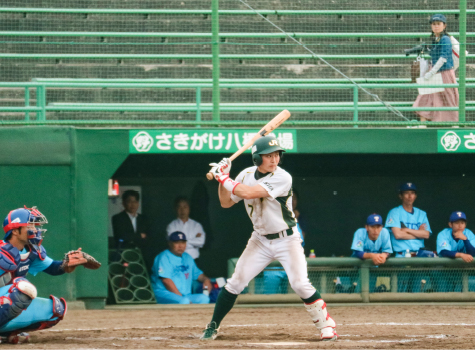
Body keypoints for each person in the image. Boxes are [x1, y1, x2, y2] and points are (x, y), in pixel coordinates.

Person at [201, 135, 338, 341]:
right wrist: (224, 178)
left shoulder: (283, 177)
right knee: (235, 282)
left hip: (287, 239)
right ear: (257, 158)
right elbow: (226, 202)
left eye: (276, 155)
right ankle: (213, 325)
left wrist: (223, 178)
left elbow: (248, 193)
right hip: (260, 240)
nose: (274, 160)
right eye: (268, 156)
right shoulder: (245, 174)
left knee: (300, 284)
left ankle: (327, 325)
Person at [0, 206, 100, 343]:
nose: (35, 230)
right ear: (15, 231)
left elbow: (53, 268)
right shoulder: (2, 253)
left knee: (56, 310)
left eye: (35, 226)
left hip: (7, 299)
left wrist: (66, 265)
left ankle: (7, 332)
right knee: (22, 289)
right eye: (30, 225)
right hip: (6, 297)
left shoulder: (31, 252)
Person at [413, 13, 459, 122]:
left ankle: (454, 125)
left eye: (438, 24)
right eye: (433, 24)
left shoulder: (445, 39)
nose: (436, 26)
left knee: (448, 99)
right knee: (426, 96)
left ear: (444, 25)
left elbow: (444, 57)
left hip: (445, 73)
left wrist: (432, 72)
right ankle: (422, 124)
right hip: (435, 72)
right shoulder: (436, 39)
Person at [151, 231, 212, 304]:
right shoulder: (163, 257)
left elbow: (197, 274)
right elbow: (166, 281)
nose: (180, 246)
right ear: (170, 243)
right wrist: (181, 297)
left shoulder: (188, 257)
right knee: (184, 302)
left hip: (185, 295)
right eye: (176, 242)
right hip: (164, 293)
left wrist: (206, 280)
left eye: (183, 242)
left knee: (204, 299)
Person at [385, 183, 431, 258]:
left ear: (415, 196)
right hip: (402, 255)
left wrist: (407, 230)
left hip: (420, 254)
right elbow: (398, 235)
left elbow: (426, 235)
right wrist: (419, 234)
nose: (410, 196)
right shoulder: (394, 212)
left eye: (412, 193)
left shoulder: (422, 214)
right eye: (406, 193)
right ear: (400, 196)